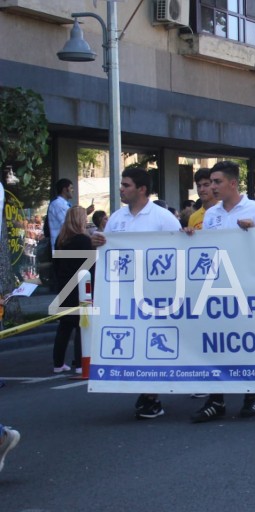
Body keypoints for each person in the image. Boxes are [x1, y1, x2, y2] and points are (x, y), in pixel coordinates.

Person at [91, 168, 182, 419]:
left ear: (142, 189)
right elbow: (108, 250)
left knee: (155, 341)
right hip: (126, 292)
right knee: (138, 341)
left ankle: (152, 395)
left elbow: (181, 249)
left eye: (126, 185)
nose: (121, 189)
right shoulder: (117, 218)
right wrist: (97, 242)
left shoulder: (163, 218)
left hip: (157, 292)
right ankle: (147, 391)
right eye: (121, 184)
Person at [191, 160, 255, 422]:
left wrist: (254, 232)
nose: (212, 187)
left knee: (247, 342)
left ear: (233, 183)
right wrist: (189, 237)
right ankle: (216, 400)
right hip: (217, 288)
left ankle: (251, 396)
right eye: (211, 182)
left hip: (248, 288)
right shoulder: (211, 214)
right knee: (216, 343)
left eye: (217, 182)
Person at [52, 206, 94, 374]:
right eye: (84, 217)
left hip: (64, 286)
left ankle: (58, 363)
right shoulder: (84, 240)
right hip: (80, 287)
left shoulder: (60, 240)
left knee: (64, 326)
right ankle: (80, 363)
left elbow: (56, 265)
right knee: (81, 326)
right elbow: (91, 266)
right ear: (80, 220)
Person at [47, 179, 94, 252]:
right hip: (63, 247)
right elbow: (69, 223)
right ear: (65, 190)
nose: (73, 191)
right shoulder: (58, 204)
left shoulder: (65, 204)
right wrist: (84, 212)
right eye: (71, 188)